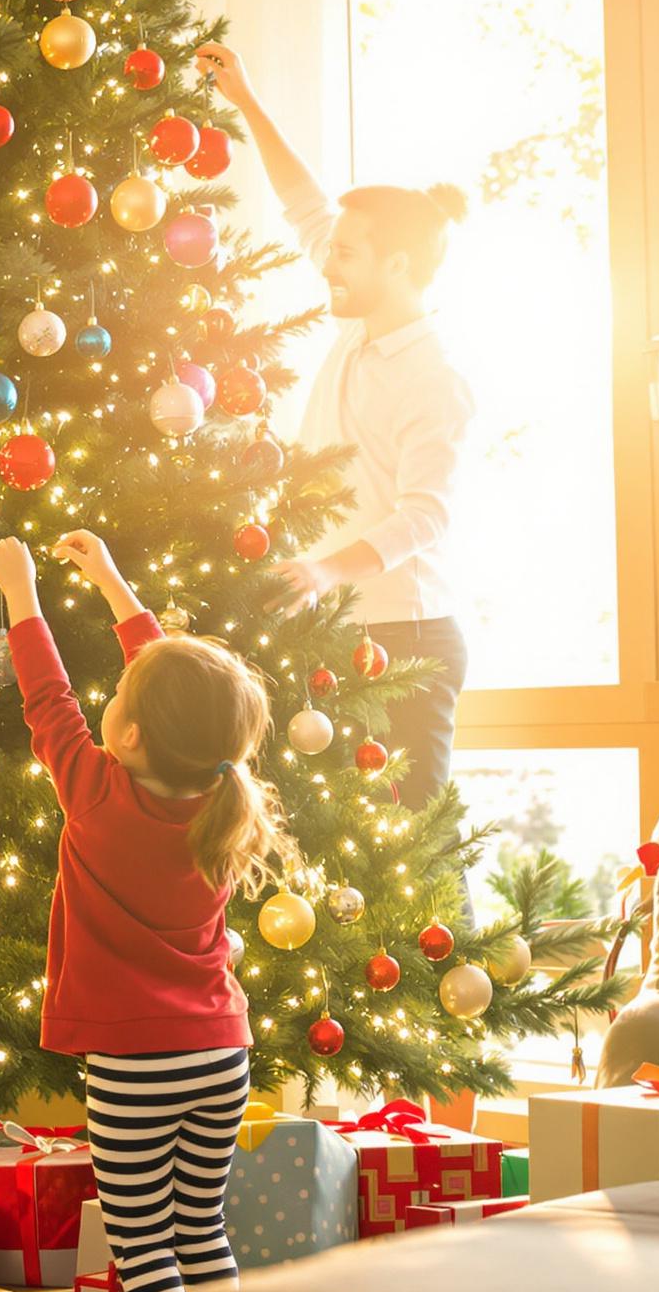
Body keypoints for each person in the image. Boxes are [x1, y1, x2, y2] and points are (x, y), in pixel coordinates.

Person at [0, 530, 302, 1292]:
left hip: (135, 1070)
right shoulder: (225, 807)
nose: (110, 699)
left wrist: (19, 588)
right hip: (222, 1055)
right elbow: (185, 694)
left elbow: (46, 696)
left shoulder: (94, 793)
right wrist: (114, 583)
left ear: (127, 736)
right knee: (202, 1232)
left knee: (143, 1243)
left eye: (119, 700)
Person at [194, 41, 476, 807]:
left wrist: (324, 570)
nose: (328, 263)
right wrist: (245, 99)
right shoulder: (359, 314)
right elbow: (305, 203)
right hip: (337, 625)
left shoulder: (434, 376)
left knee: (414, 860)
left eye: (346, 254)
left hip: (408, 641)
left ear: (401, 267)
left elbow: (429, 514)